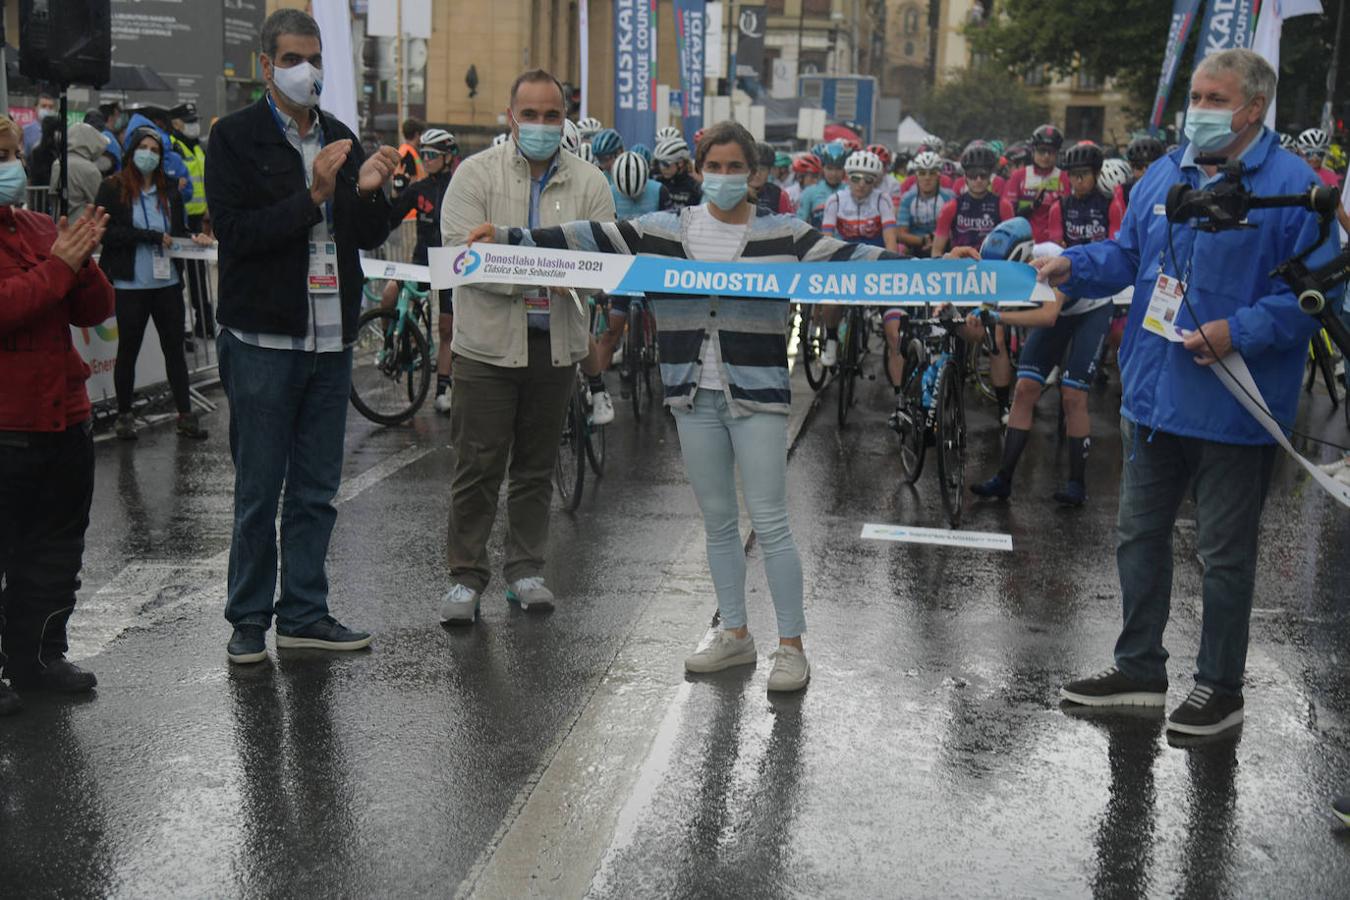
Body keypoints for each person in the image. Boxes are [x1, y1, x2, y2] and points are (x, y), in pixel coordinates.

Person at [465, 120, 905, 692]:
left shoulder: (785, 234)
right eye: (714, 167)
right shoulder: (661, 230)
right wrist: (506, 237)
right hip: (692, 395)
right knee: (719, 522)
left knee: (770, 522)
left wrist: (963, 271)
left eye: (734, 167)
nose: (723, 177)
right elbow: (585, 238)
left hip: (759, 396)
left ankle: (792, 645)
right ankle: (735, 634)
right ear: (698, 171)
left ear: (754, 175)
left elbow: (860, 261)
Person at [1046, 49, 1336, 736]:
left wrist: (1239, 329)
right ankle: (1139, 669)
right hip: (1153, 398)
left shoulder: (1296, 188)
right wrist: (1070, 264)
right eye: (1195, 95)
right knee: (1138, 538)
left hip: (1235, 405)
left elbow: (1318, 295)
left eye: (1213, 97)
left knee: (1225, 555)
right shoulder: (1162, 177)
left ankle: (1220, 688)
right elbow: (1127, 257)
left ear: (1254, 107)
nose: (1197, 109)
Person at [205, 8, 399, 664]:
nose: (304, 70)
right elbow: (238, 234)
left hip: (331, 341)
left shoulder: (341, 135)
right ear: (266, 66)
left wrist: (376, 192)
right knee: (260, 489)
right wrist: (313, 197)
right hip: (264, 341)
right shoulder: (233, 138)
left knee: (317, 490)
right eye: (290, 58)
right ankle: (249, 622)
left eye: (313, 58)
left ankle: (305, 614)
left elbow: (362, 236)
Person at [436, 68, 616, 625]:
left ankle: (525, 571)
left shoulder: (590, 183)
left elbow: (603, 257)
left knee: (536, 467)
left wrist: (565, 271)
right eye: (530, 114)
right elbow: (460, 255)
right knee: (478, 466)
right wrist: (542, 271)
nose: (541, 124)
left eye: (551, 114)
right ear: (511, 116)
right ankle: (466, 579)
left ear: (564, 118)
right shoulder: (475, 174)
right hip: (486, 348)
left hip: (555, 348)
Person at [0, 114, 114, 713]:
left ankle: (39, 657)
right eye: (2, 155)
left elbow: (93, 310)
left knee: (56, 553)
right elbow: (9, 304)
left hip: (64, 420)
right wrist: (59, 267)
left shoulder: (39, 224)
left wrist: (85, 260)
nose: (13, 168)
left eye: (14, 154)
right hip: (7, 425)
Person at [972, 146, 1122, 508]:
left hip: (1090, 307)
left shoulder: (1052, 260)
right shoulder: (1022, 246)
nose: (1079, 180)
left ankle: (1076, 483)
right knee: (1025, 389)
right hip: (1057, 307)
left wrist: (997, 317)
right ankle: (1003, 478)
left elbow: (1047, 316)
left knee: (1072, 395)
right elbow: (989, 292)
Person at [94, 126, 211, 441]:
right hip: (130, 285)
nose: (149, 154)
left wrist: (194, 237)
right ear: (132, 152)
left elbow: (178, 230)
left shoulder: (169, 189)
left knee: (173, 349)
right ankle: (124, 415)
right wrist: (150, 237)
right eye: (144, 147)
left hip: (167, 283)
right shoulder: (113, 188)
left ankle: (186, 416)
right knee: (128, 350)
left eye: (155, 149)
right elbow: (106, 232)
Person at [384, 127, 458, 413]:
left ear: (448, 158)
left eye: (432, 155)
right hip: (422, 261)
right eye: (423, 154)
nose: (425, 159)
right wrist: (396, 191)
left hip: (451, 263)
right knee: (390, 293)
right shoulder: (419, 189)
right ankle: (391, 346)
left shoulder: (459, 186)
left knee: (445, 327)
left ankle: (443, 387)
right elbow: (390, 219)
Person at [169, 103, 214, 341]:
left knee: (198, 276)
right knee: (179, 279)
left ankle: (204, 322)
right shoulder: (172, 147)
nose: (193, 124)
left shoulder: (197, 147)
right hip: (178, 222)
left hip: (197, 220)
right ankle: (183, 328)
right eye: (188, 120)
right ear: (176, 123)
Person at [1003, 124, 1068, 242]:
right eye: (1042, 150)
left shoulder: (1064, 178)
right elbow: (1009, 212)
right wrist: (1030, 206)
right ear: (1033, 150)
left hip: (1054, 243)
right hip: (1024, 240)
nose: (1046, 156)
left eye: (1051, 152)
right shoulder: (1019, 176)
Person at [894, 151, 953, 258]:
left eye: (932, 173)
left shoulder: (949, 197)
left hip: (944, 246)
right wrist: (923, 240)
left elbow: (955, 230)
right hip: (915, 247)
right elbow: (900, 234)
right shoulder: (907, 198)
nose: (927, 177)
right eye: (922, 173)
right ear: (916, 176)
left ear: (939, 175)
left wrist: (935, 240)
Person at [50, 122, 108, 220]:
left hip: (60, 223)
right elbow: (99, 201)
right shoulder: (90, 170)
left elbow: (53, 195)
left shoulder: (57, 164)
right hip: (83, 225)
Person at [796, 141, 847, 229]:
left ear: (844, 170)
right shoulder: (809, 192)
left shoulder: (849, 190)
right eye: (829, 168)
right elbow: (799, 224)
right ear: (822, 168)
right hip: (819, 241)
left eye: (838, 168)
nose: (834, 174)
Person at [653, 137, 702, 208]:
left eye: (665, 164)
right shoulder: (658, 183)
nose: (662, 168)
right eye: (658, 163)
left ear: (680, 163)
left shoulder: (694, 187)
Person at [751, 143, 793, 215]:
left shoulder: (779, 195)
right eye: (753, 168)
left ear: (770, 171)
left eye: (762, 169)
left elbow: (790, 223)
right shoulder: (733, 193)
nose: (757, 174)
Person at [22, 91, 57, 157]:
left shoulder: (59, 132)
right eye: (43, 106)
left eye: (51, 107)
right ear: (35, 108)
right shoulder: (25, 131)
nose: (47, 109)